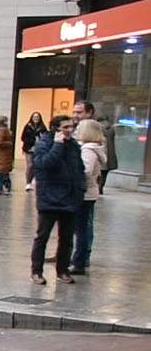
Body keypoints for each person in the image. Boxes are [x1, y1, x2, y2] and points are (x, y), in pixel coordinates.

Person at [30, 114, 84, 286]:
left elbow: (79, 169)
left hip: (70, 198)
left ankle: (62, 270)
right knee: (42, 237)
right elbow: (44, 164)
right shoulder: (45, 144)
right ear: (56, 129)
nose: (69, 130)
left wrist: (80, 189)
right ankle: (36, 271)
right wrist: (58, 145)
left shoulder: (74, 146)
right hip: (50, 198)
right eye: (65, 127)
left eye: (71, 127)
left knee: (67, 238)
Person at [70, 117, 108, 275]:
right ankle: (80, 258)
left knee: (80, 228)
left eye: (79, 127)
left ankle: (79, 260)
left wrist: (71, 175)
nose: (76, 130)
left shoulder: (87, 150)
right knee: (83, 227)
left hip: (84, 193)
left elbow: (85, 171)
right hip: (89, 192)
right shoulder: (94, 148)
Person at [73, 99, 116, 189]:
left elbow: (101, 153)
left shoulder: (97, 128)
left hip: (86, 182)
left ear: (89, 113)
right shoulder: (77, 126)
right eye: (74, 112)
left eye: (79, 112)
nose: (75, 115)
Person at [20, 111, 46, 190]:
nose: (36, 118)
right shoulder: (27, 126)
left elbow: (45, 138)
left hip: (38, 149)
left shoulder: (43, 127)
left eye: (37, 117)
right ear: (32, 118)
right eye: (34, 117)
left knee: (35, 165)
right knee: (30, 165)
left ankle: (31, 181)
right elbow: (22, 137)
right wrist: (31, 140)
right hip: (28, 148)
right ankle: (28, 183)